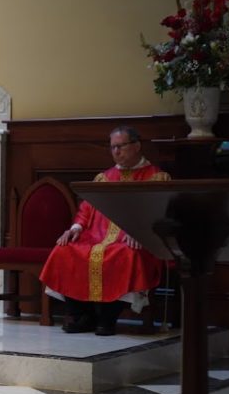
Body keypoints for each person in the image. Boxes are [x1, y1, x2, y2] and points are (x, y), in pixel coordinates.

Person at [40, 126, 171, 336]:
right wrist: (76, 228)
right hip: (96, 236)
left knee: (127, 256)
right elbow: (86, 209)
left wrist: (142, 232)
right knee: (64, 250)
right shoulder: (104, 177)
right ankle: (83, 315)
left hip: (137, 240)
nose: (116, 152)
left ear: (137, 146)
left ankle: (107, 318)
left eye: (121, 146)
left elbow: (161, 213)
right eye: (112, 147)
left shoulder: (156, 178)